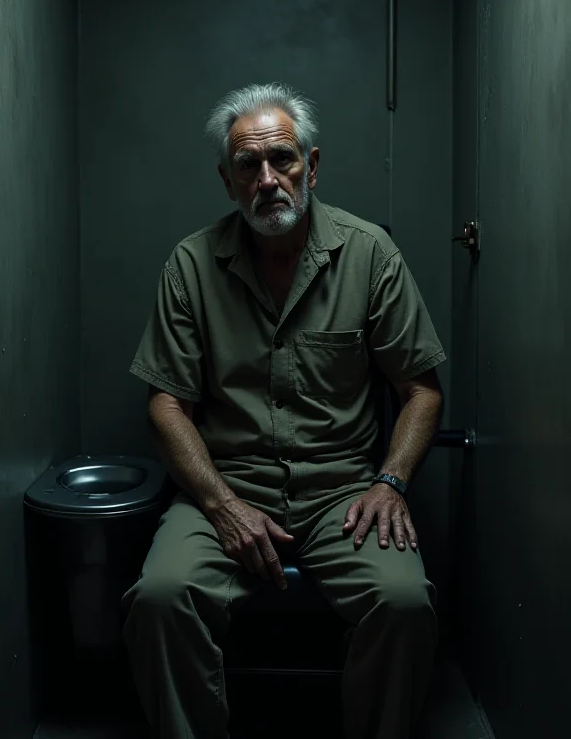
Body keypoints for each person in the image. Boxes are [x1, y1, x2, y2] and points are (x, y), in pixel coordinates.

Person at [122, 82, 446, 739]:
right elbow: (166, 404)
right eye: (249, 166)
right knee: (159, 600)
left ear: (312, 165)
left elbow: (422, 391)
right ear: (228, 181)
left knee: (406, 603)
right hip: (226, 489)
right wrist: (221, 505)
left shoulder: (370, 254)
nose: (269, 180)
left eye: (284, 160)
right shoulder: (191, 264)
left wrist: (391, 482)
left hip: (342, 495)